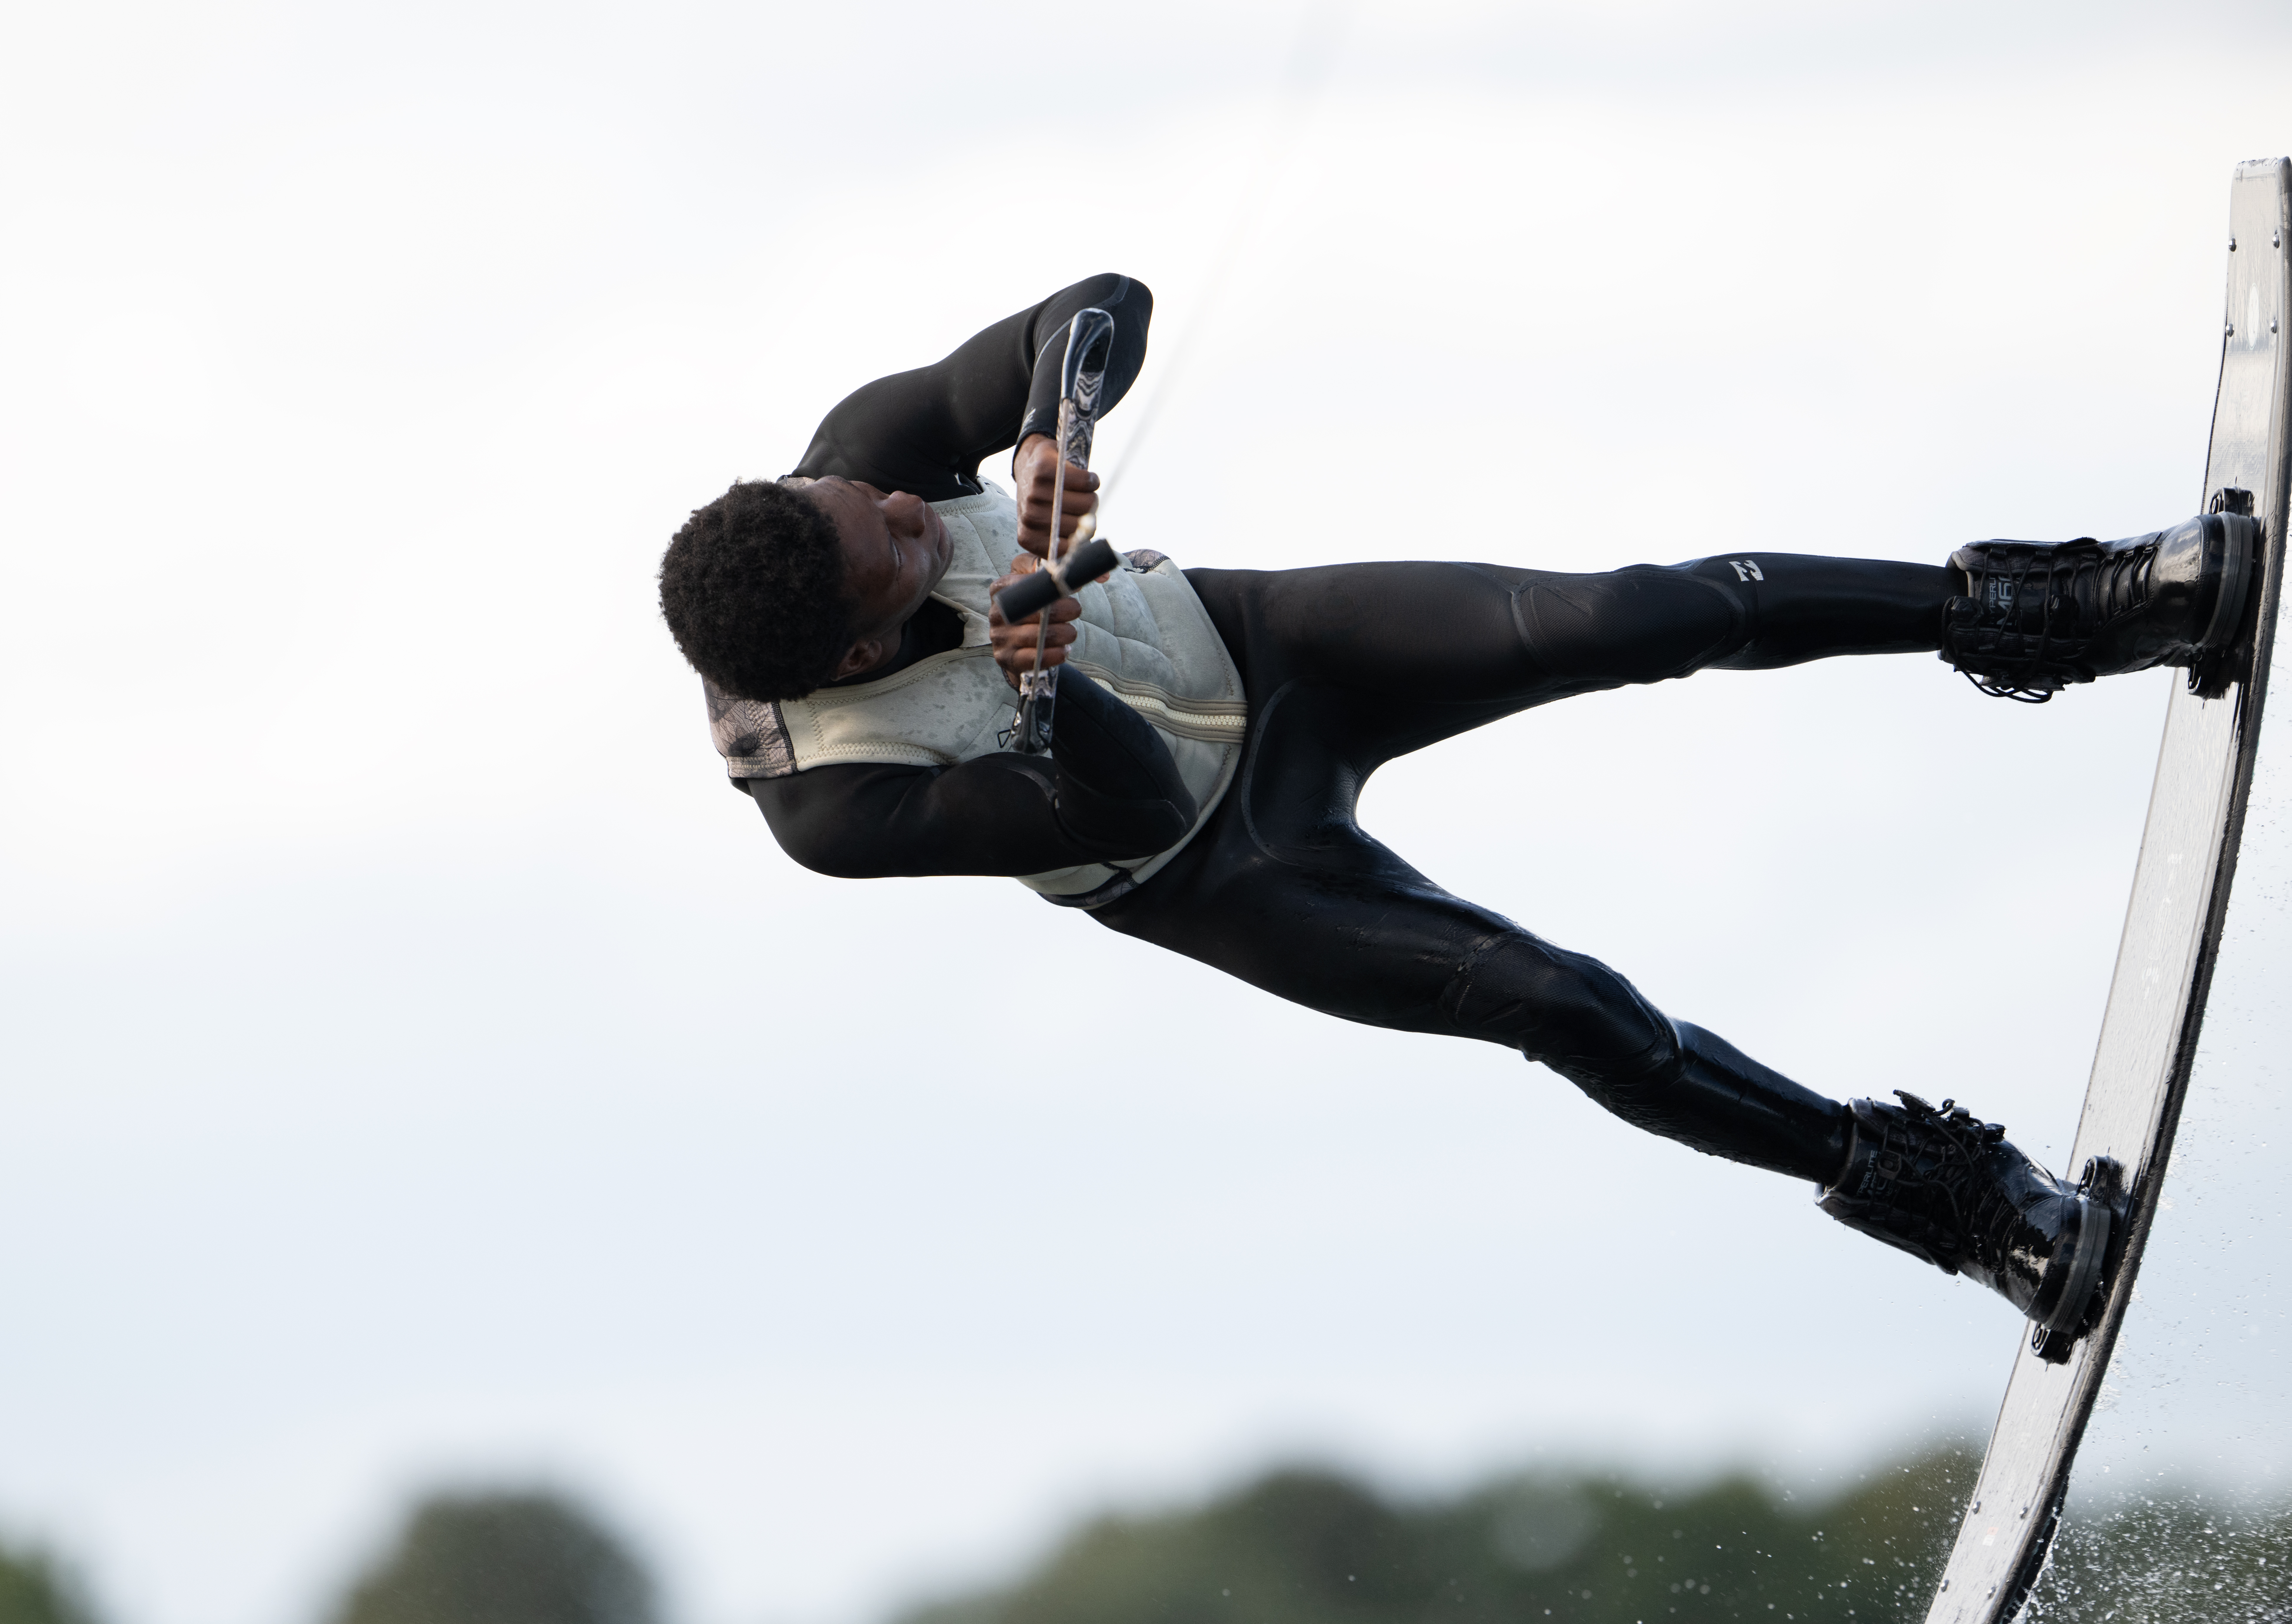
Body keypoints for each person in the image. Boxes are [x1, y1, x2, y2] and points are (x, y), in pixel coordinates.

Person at [655, 274, 2255, 1340]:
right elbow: (1117, 798)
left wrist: (1049, 430)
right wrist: (1041, 679)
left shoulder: (854, 466)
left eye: (870, 501)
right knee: (1564, 1008)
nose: (892, 506)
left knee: (1650, 612)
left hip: (1268, 643)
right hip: (1222, 865)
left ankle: (2080, 608)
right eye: (895, 544)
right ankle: (1967, 1210)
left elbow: (1103, 306)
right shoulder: (827, 807)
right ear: (858, 650)